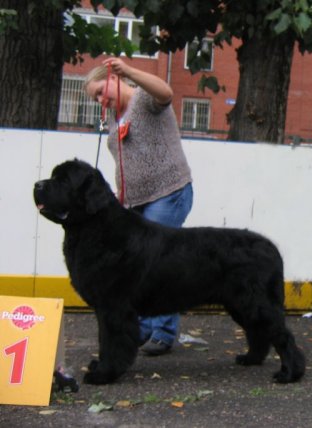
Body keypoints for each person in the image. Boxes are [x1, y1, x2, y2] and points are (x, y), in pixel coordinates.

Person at [84, 57, 193, 356]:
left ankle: (161, 331)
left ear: (114, 78)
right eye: (95, 97)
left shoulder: (144, 100)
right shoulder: (115, 119)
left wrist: (129, 70)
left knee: (158, 263)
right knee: (139, 266)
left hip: (168, 192)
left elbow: (166, 92)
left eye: (100, 90)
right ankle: (144, 326)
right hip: (134, 203)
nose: (100, 99)